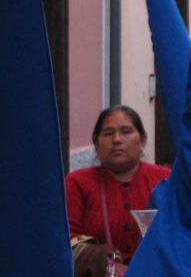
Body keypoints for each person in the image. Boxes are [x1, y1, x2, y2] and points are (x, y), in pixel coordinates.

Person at [66, 106, 171, 276]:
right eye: (108, 133)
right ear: (96, 144)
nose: (116, 140)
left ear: (142, 140)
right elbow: (67, 239)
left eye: (126, 132)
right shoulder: (77, 183)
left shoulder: (165, 180)